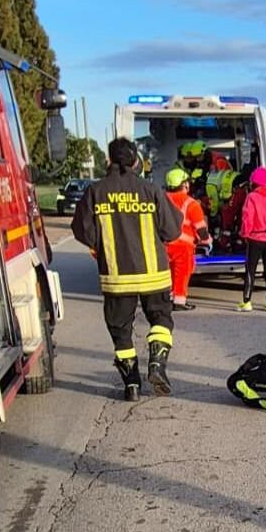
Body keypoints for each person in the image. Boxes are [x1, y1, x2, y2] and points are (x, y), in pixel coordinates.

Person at [72, 138, 183, 400]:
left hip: (117, 277)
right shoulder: (151, 189)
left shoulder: (95, 192)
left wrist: (102, 242)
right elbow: (172, 230)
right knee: (161, 320)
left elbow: (82, 231)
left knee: (121, 330)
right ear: (136, 162)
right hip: (154, 275)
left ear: (108, 161)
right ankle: (157, 364)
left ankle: (131, 385)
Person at [237, 167, 266, 312]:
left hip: (255, 238)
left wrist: (244, 234)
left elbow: (247, 218)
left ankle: (247, 302)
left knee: (250, 270)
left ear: (254, 182)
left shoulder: (251, 197)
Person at [164, 167, 212, 311]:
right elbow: (201, 229)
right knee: (182, 273)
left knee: (169, 272)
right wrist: (208, 241)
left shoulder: (161, 200)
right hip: (182, 246)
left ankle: (170, 298)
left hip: (163, 244)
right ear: (184, 184)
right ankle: (179, 301)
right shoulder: (191, 204)